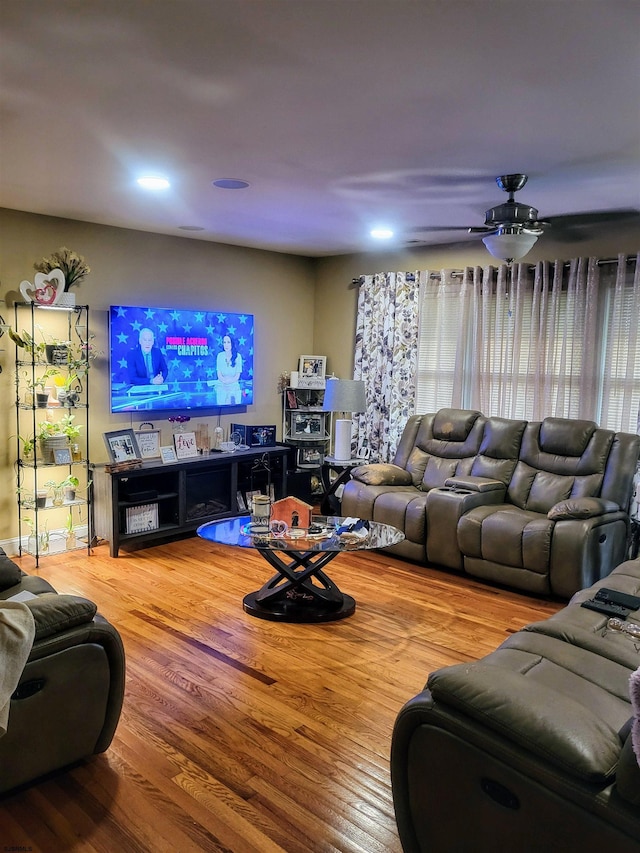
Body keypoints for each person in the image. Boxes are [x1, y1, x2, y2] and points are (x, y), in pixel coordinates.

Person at [216, 333, 242, 404]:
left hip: (234, 386)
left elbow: (237, 376)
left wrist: (229, 382)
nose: (226, 345)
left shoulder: (238, 356)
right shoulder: (220, 356)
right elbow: (219, 374)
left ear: (232, 343)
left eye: (228, 342)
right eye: (224, 342)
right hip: (222, 385)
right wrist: (224, 381)